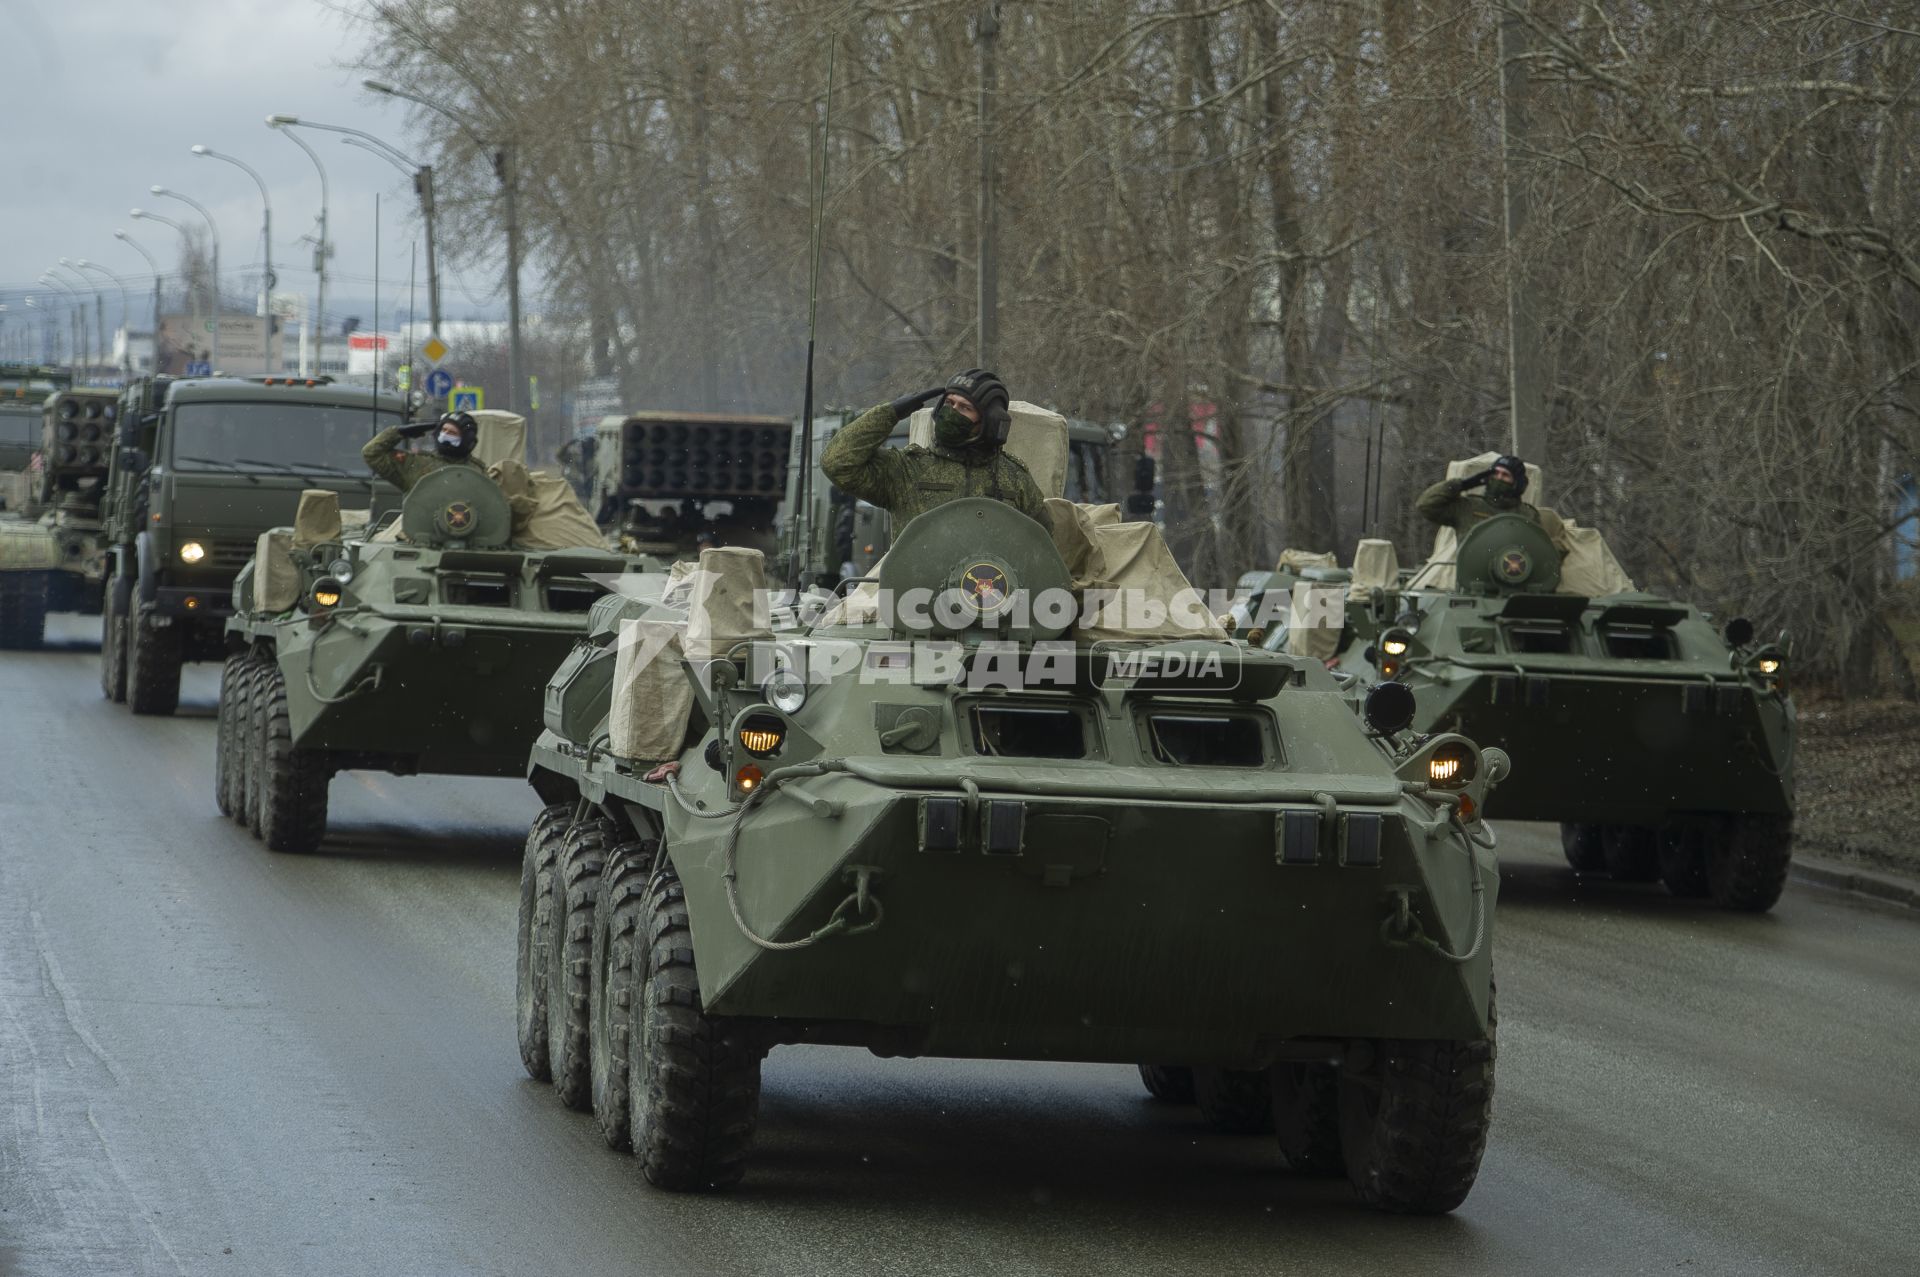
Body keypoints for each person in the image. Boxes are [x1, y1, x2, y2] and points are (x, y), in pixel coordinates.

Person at [820, 369, 1046, 525]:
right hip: (917, 593)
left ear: (990, 422)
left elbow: (1039, 543)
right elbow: (837, 462)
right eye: (949, 403)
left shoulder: (1014, 480)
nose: (951, 412)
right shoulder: (907, 471)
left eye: (964, 407)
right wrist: (891, 412)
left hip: (990, 591)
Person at [1415, 454, 1566, 541]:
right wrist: (1464, 484)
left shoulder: (1528, 515)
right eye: (1495, 473)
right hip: (1473, 583)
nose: (1498, 478)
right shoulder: (1467, 507)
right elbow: (1426, 505)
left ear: (1517, 484)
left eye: (1505, 475)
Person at [362, 411, 487, 492]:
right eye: (444, 430)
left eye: (452, 433)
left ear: (466, 440)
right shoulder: (416, 464)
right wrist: (398, 433)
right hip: (421, 531)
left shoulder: (477, 472)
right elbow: (371, 453)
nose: (445, 435)